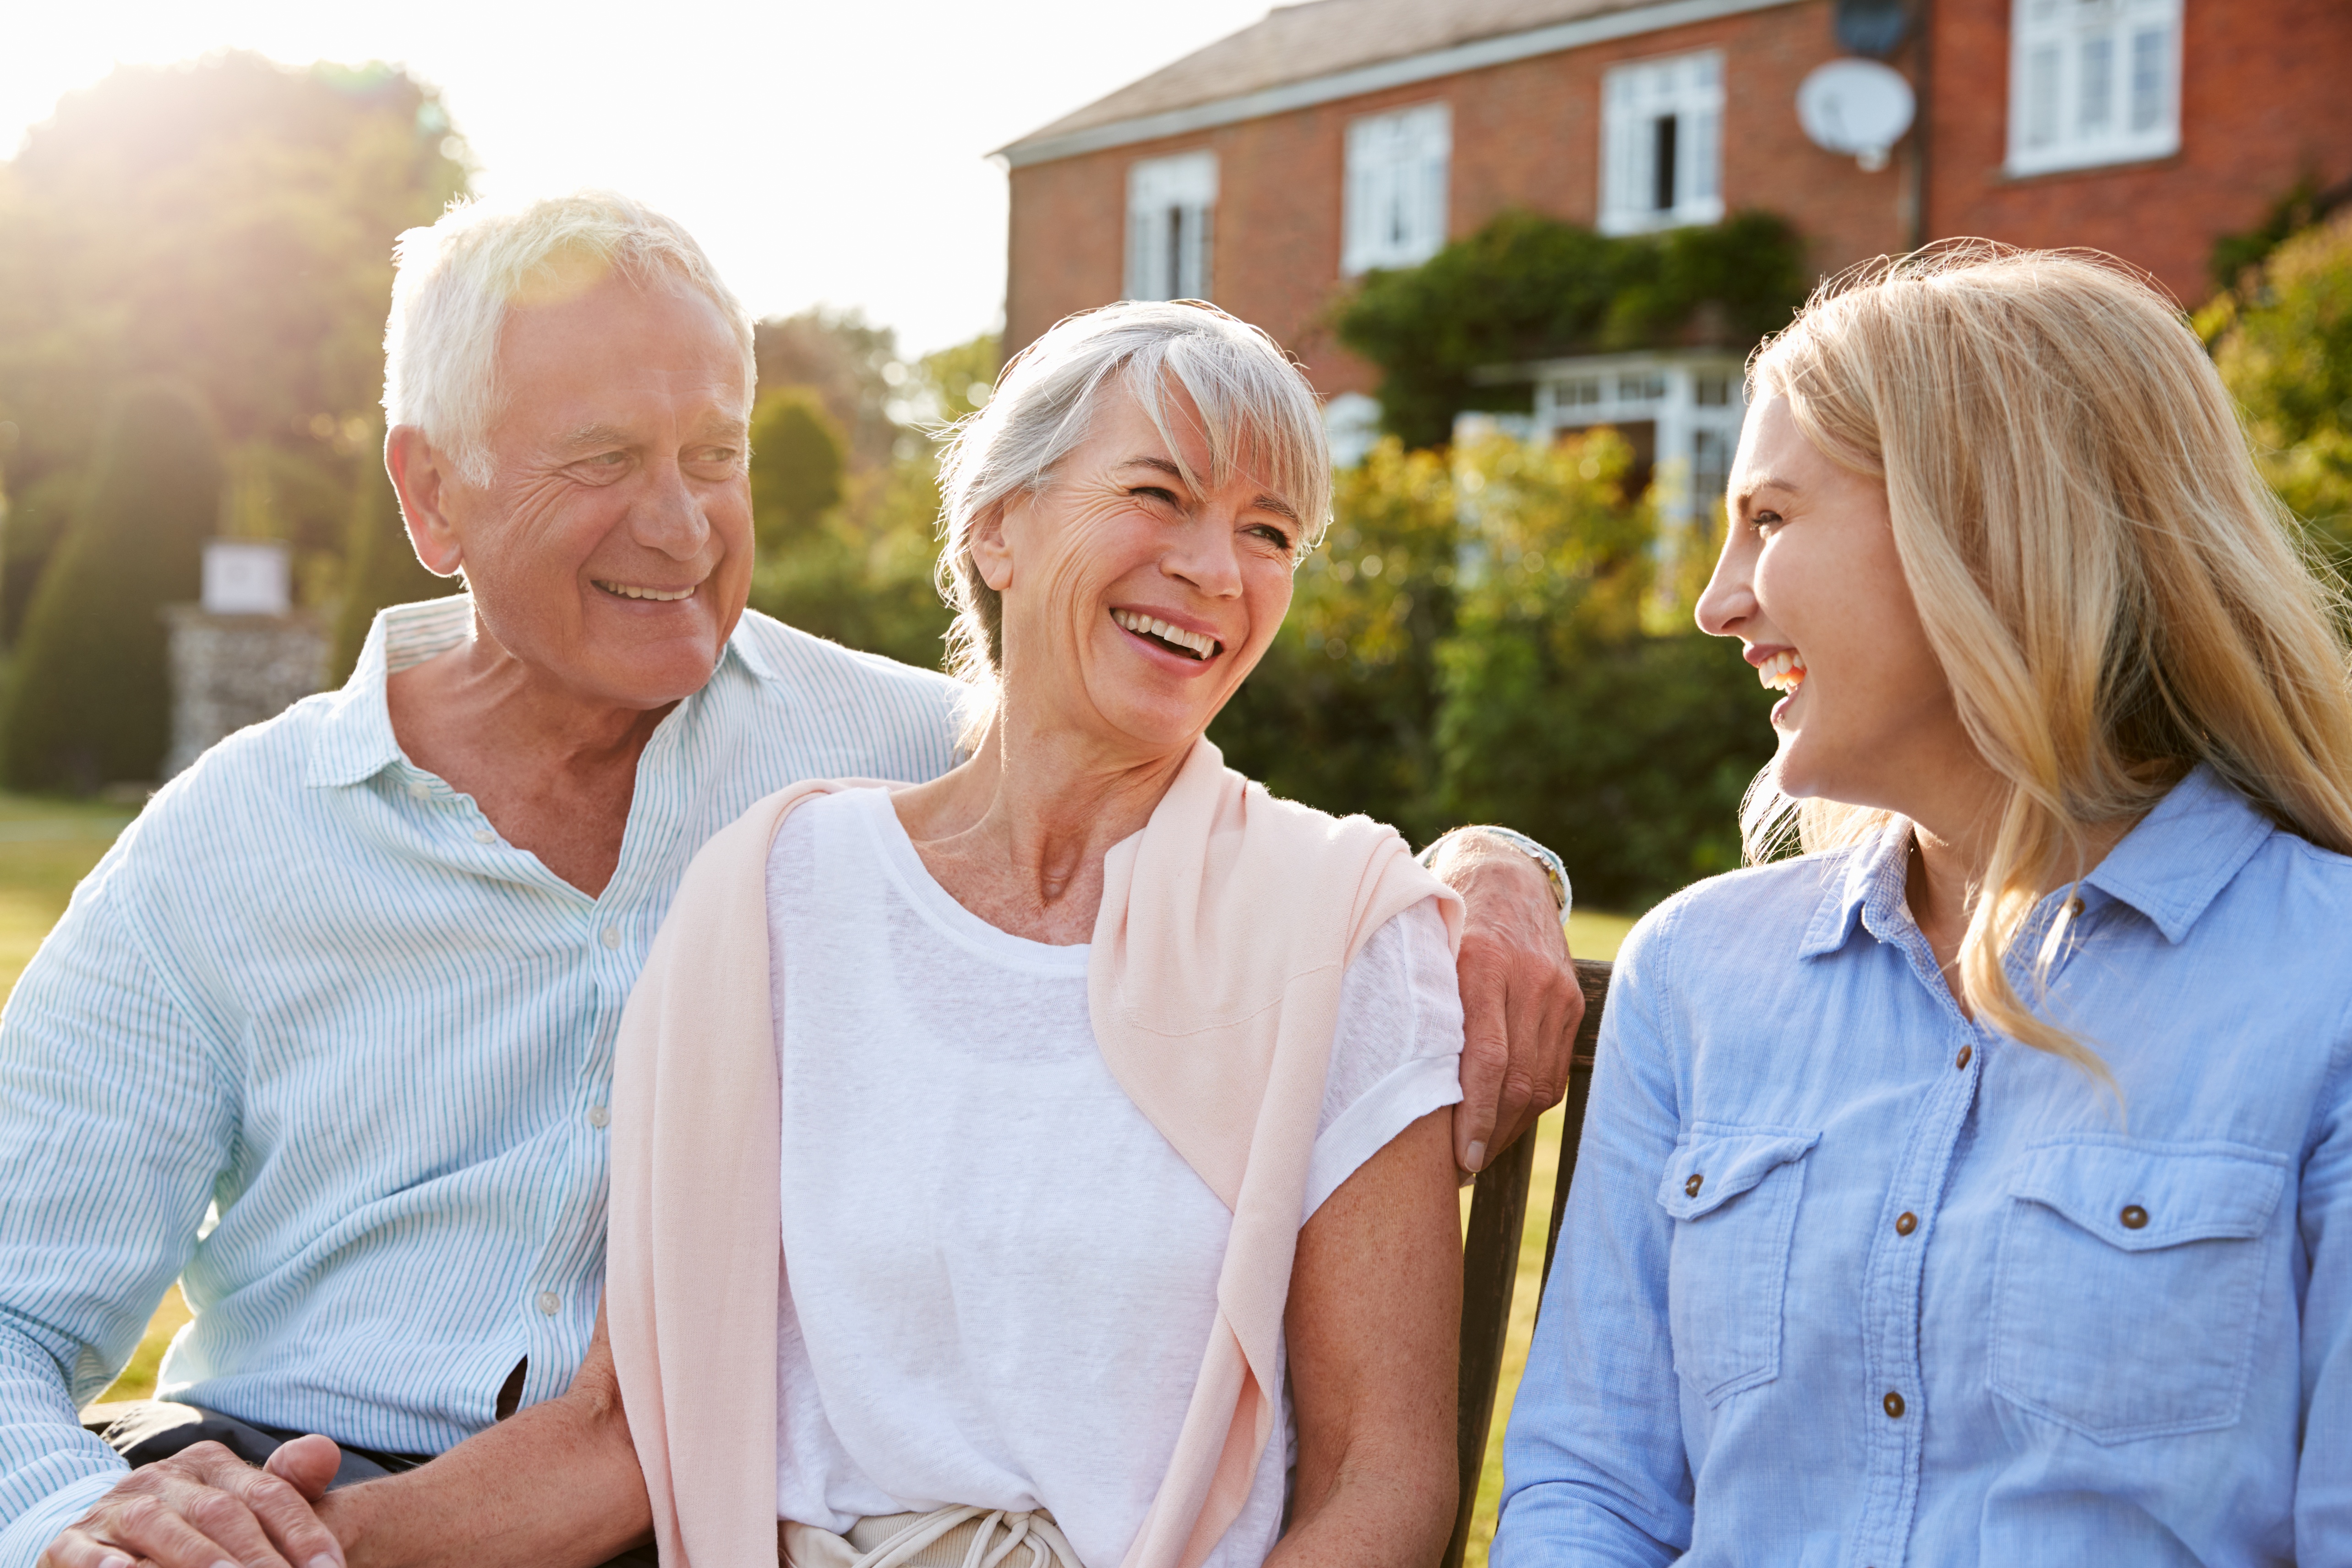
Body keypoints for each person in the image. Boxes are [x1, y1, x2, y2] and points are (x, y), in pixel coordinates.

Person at [8, 194, 1582, 1568]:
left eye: (716, 455)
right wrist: (98, 1518)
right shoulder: (232, 842)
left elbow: (1158, 766)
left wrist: (1493, 866)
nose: (682, 526)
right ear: (430, 496)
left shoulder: (888, 762)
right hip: (294, 1484)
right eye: (604, 460)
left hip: (660, 1515)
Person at [302, 297, 1470, 1568]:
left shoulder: (1340, 927)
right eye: (1159, 493)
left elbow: (1382, 1483)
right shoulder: (777, 897)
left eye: (1271, 531)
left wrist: (1509, 866)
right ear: (998, 526)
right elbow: (620, 1433)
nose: (1220, 570)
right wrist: (281, 1544)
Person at [1492, 244, 2352, 1566]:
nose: (1718, 603)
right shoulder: (1697, 973)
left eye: (1771, 519)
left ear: (1989, 527)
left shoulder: (2324, 983)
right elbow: (1591, 1494)